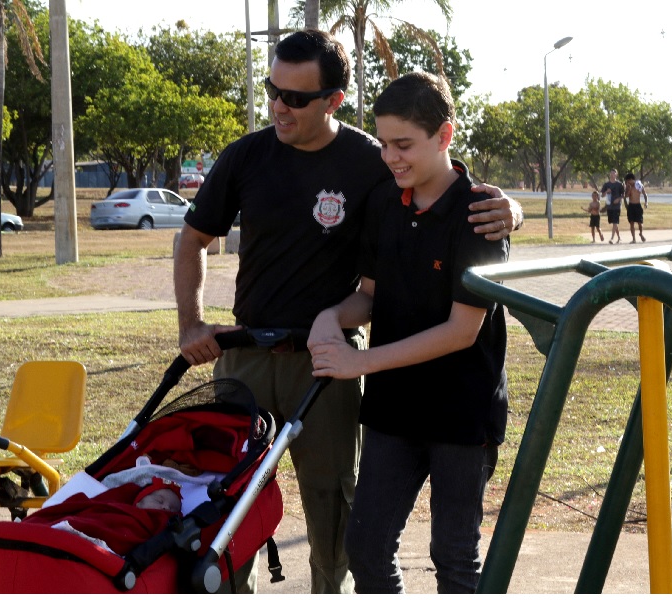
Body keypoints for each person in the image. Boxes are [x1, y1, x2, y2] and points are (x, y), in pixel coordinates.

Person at [173, 29, 523, 594]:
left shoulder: (374, 165)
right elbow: (192, 240)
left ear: (334, 100)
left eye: (297, 97)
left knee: (349, 518)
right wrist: (194, 322)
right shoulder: (260, 158)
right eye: (273, 92)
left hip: (351, 377)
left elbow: (451, 187)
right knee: (227, 504)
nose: (279, 107)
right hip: (262, 360)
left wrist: (512, 209)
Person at [307, 71, 508, 594]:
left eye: (404, 145)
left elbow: (461, 332)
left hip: (461, 413)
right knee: (367, 548)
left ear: (444, 136)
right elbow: (368, 296)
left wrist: (358, 363)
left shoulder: (481, 213)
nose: (392, 158)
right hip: (394, 410)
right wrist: (332, 316)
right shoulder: (383, 203)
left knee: (454, 557)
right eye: (384, 144)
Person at [600, 168, 625, 244]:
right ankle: (619, 237)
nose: (612, 175)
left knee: (615, 221)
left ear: (616, 174)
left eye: (614, 173)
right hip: (609, 206)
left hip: (617, 206)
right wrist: (606, 191)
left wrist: (619, 199)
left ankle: (612, 238)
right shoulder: (606, 184)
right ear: (610, 174)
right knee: (613, 222)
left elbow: (623, 195)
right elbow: (602, 195)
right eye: (611, 173)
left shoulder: (619, 184)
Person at [624, 171, 648, 243]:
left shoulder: (639, 185)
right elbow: (626, 196)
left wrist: (646, 202)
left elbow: (645, 194)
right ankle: (634, 239)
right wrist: (629, 189)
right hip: (631, 206)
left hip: (638, 205)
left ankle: (641, 233)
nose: (627, 182)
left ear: (631, 179)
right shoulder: (628, 187)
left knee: (640, 222)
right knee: (631, 222)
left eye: (628, 180)